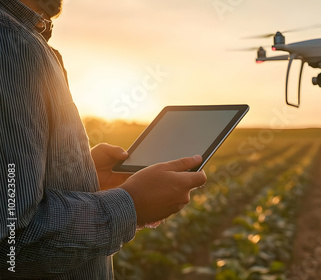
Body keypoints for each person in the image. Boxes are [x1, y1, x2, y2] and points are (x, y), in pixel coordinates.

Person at [0, 0, 207, 278]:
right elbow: (11, 244)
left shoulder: (25, 40)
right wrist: (132, 204)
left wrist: (79, 174)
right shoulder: (13, 43)